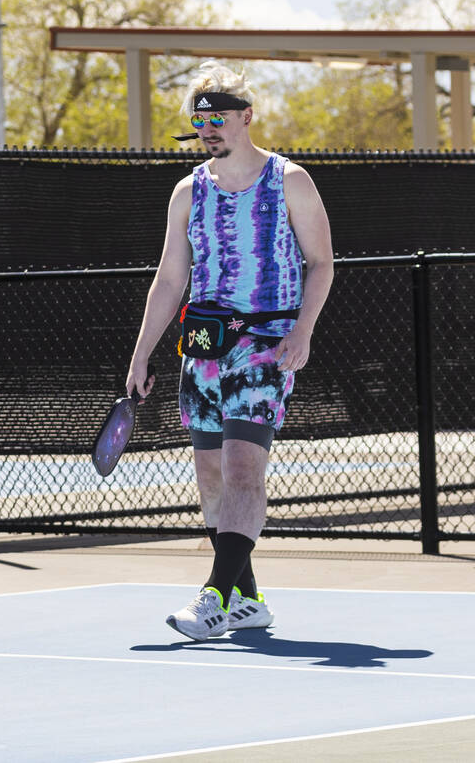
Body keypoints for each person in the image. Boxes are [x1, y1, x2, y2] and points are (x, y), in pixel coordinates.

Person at [126, 62, 333, 641]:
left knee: (245, 467)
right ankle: (248, 598)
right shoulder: (189, 190)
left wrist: (303, 331)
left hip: (266, 345)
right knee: (212, 477)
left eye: (217, 118)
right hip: (204, 346)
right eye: (199, 121)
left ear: (246, 118)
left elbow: (322, 263)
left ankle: (214, 597)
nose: (207, 129)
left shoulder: (289, 180)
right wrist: (142, 354)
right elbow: (170, 279)